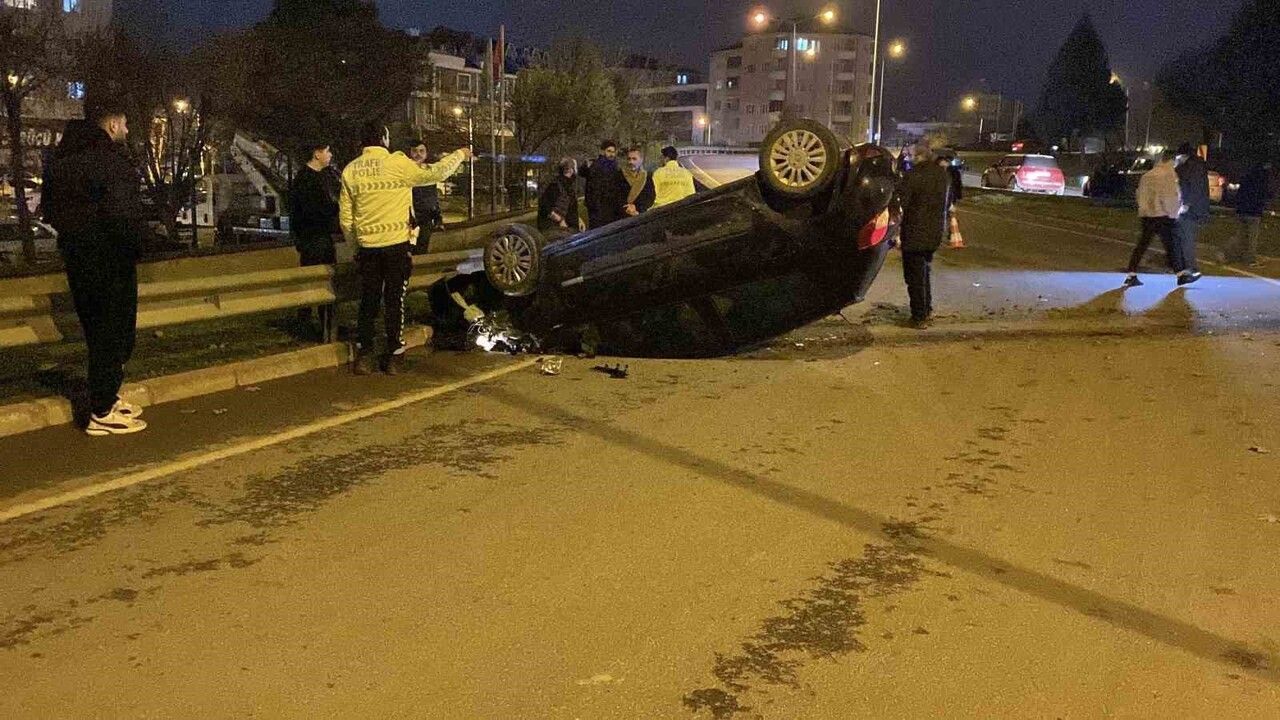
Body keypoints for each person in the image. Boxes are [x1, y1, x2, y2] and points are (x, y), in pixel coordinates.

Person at [43, 103, 147, 436]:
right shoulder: (110, 163)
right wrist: (136, 248)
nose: (127, 131)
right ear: (113, 124)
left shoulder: (61, 161)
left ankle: (107, 397)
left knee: (97, 330)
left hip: (79, 257)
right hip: (110, 259)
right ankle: (102, 410)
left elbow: (51, 210)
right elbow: (123, 216)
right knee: (112, 333)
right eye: (125, 124)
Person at [340, 121, 470, 375]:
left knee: (368, 299)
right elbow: (435, 173)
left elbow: (346, 219)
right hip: (396, 245)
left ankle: (364, 354)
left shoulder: (350, 171)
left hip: (367, 247)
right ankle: (394, 355)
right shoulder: (397, 163)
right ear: (383, 139)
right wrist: (460, 155)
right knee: (394, 300)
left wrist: (355, 246)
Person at [896, 143, 953, 328]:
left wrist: (896, 232)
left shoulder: (912, 176)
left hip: (914, 233)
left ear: (918, 156)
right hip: (935, 233)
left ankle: (919, 316)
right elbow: (947, 202)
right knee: (925, 272)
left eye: (910, 155)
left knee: (914, 276)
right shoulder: (942, 176)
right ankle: (926, 309)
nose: (908, 158)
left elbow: (901, 205)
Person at [288, 142, 341, 338]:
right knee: (315, 283)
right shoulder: (306, 179)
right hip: (313, 238)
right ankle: (310, 324)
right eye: (328, 151)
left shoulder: (324, 176)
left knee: (322, 283)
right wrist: (334, 209)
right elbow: (309, 211)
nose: (331, 155)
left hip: (321, 238)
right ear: (317, 154)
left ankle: (321, 324)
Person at [1123, 149, 1183, 287]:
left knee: (1142, 245)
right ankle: (1181, 274)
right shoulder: (1168, 175)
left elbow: (1139, 194)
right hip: (1161, 215)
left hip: (1147, 215)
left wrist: (1143, 209)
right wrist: (1174, 213)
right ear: (1172, 160)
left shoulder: (1147, 175)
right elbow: (1170, 197)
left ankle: (1131, 274)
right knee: (1171, 245)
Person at [1224, 160, 1275, 267]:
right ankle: (1249, 259)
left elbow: (1239, 193)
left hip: (1242, 209)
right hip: (1254, 212)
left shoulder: (1247, 177)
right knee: (1252, 237)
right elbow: (1265, 194)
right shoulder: (1262, 180)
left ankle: (1225, 254)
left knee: (1240, 235)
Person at [1173, 143, 1209, 285]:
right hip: (1196, 208)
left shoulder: (1191, 168)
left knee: (1185, 238)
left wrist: (1185, 205)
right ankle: (1184, 268)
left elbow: (1191, 188)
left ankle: (1191, 269)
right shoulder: (1196, 166)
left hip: (1190, 209)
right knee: (1183, 237)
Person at [408, 140, 446, 256]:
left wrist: (438, 217)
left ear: (426, 153)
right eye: (415, 151)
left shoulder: (429, 171)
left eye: (421, 151)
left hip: (426, 218)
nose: (418, 154)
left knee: (422, 249)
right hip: (409, 218)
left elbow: (433, 197)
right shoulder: (405, 170)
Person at [583, 139, 628, 229]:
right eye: (609, 151)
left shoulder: (615, 167)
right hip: (598, 208)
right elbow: (592, 188)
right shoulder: (595, 166)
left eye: (613, 152)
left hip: (611, 207)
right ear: (603, 151)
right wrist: (594, 206)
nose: (611, 154)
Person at [537, 157, 584, 241]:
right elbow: (544, 205)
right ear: (570, 170)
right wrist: (559, 220)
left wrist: (578, 220)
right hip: (555, 229)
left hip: (566, 228)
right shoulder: (555, 186)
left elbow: (571, 208)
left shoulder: (568, 185)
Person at [621, 146, 655, 216]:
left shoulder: (647, 176)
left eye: (634, 159)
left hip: (640, 214)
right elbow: (615, 196)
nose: (631, 162)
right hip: (622, 215)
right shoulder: (619, 175)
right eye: (629, 159)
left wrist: (637, 208)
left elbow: (650, 196)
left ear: (641, 160)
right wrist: (628, 207)